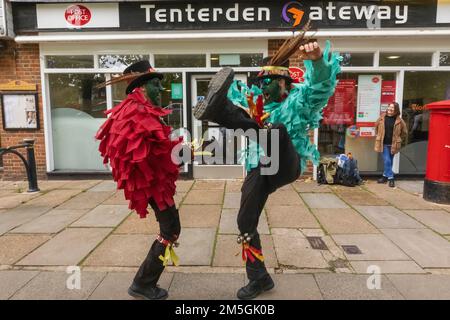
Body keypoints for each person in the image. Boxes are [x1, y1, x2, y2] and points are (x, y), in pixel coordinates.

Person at [194, 37, 341, 299]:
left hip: (287, 163)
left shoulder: (300, 101)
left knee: (276, 131)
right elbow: (241, 99)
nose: (262, 87)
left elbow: (322, 85)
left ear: (284, 83)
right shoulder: (257, 106)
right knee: (244, 221)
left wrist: (317, 60)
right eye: (259, 82)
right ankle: (259, 278)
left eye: (268, 82)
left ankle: (218, 111)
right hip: (260, 169)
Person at [95, 61, 183, 300]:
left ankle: (144, 281)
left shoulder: (138, 107)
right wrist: (179, 152)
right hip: (150, 183)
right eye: (156, 84)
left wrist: (176, 149)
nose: (160, 89)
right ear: (142, 87)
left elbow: (153, 145)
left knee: (172, 228)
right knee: (170, 230)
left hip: (151, 181)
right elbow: (147, 152)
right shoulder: (136, 110)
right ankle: (143, 284)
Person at [374, 102, 408, 188]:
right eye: (389, 107)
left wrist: (399, 139)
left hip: (393, 144)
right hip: (383, 144)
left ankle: (384, 177)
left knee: (390, 161)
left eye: (392, 108)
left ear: (396, 110)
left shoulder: (399, 121)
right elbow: (376, 127)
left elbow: (404, 132)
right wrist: (378, 136)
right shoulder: (381, 118)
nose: (390, 109)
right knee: (387, 161)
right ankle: (391, 178)